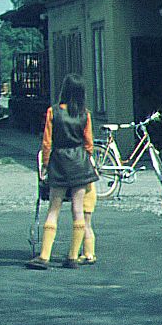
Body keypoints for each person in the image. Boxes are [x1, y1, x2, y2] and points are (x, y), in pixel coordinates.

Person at [27, 73, 98, 269]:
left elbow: (47, 143)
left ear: (64, 90)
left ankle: (44, 256)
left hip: (59, 162)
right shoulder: (85, 114)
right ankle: (73, 257)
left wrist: (45, 165)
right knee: (78, 210)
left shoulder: (53, 112)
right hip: (80, 164)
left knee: (54, 209)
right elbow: (89, 144)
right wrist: (85, 158)